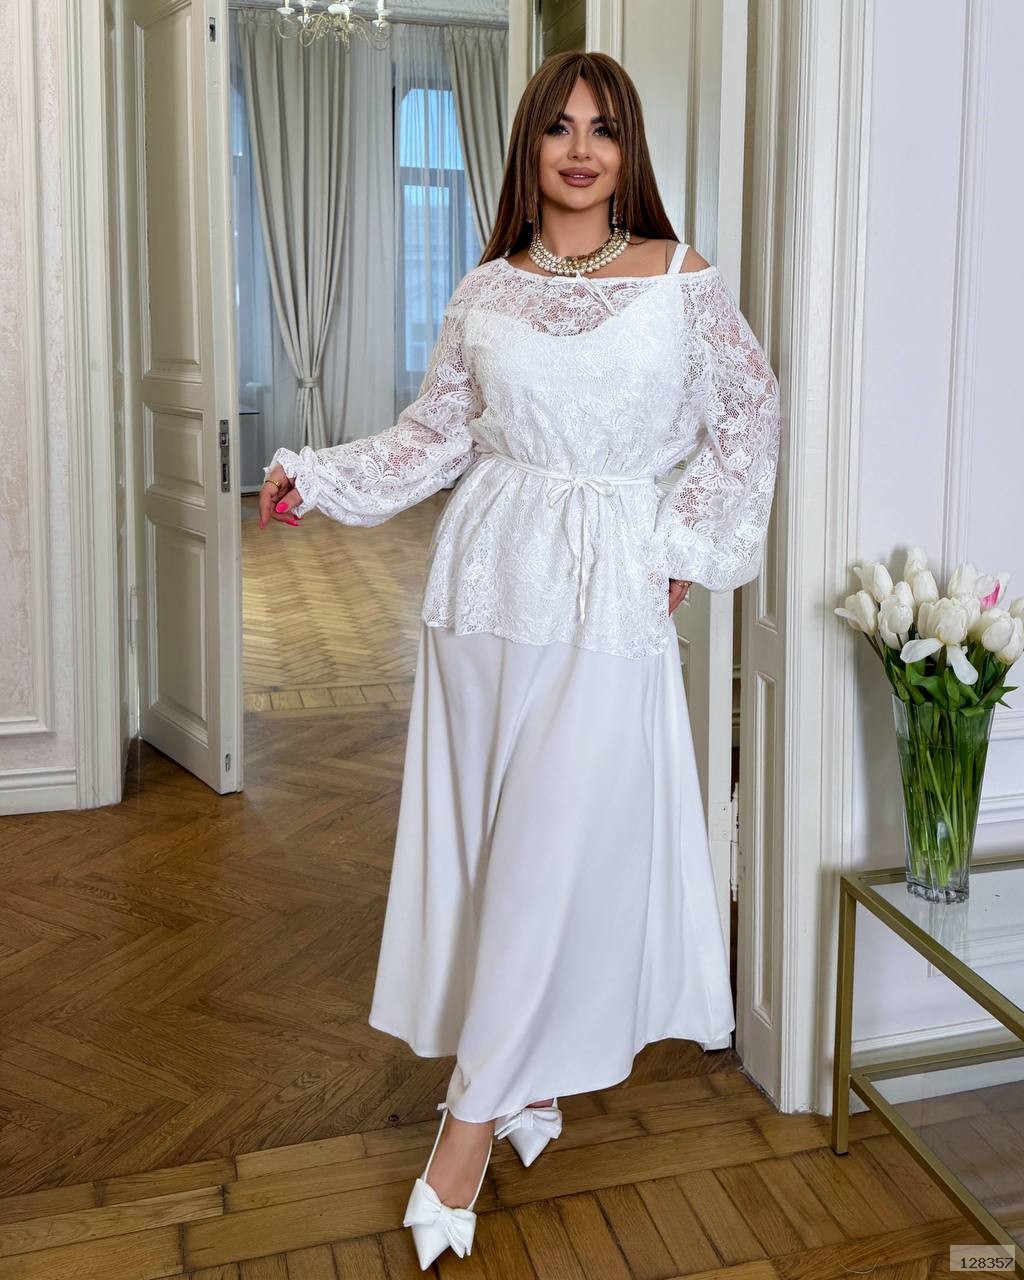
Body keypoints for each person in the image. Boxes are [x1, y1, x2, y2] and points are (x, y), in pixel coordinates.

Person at [259, 50, 780, 1271]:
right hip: (487, 585)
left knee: (553, 840)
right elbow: (436, 434)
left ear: (627, 148)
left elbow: (751, 415)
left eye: (603, 127)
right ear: (528, 148)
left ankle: (466, 1130)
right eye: (558, 126)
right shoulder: (484, 289)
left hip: (607, 590)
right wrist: (318, 476)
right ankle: (527, 1073)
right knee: (494, 844)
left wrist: (684, 542)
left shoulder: (682, 279)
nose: (580, 149)